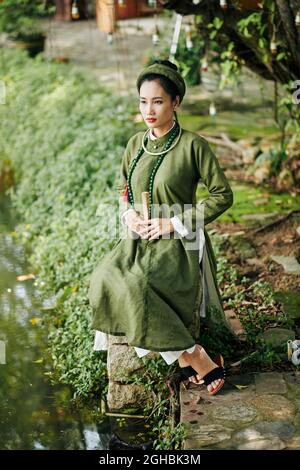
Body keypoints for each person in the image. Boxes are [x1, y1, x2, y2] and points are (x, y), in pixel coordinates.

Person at [88, 59, 234, 395]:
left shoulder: (193, 145)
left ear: (175, 103)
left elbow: (222, 195)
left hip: (178, 244)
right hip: (137, 239)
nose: (148, 110)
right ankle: (191, 355)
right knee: (103, 277)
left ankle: (194, 357)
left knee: (139, 286)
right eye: (143, 101)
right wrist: (129, 215)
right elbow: (123, 189)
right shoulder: (134, 144)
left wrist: (173, 222)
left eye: (157, 101)